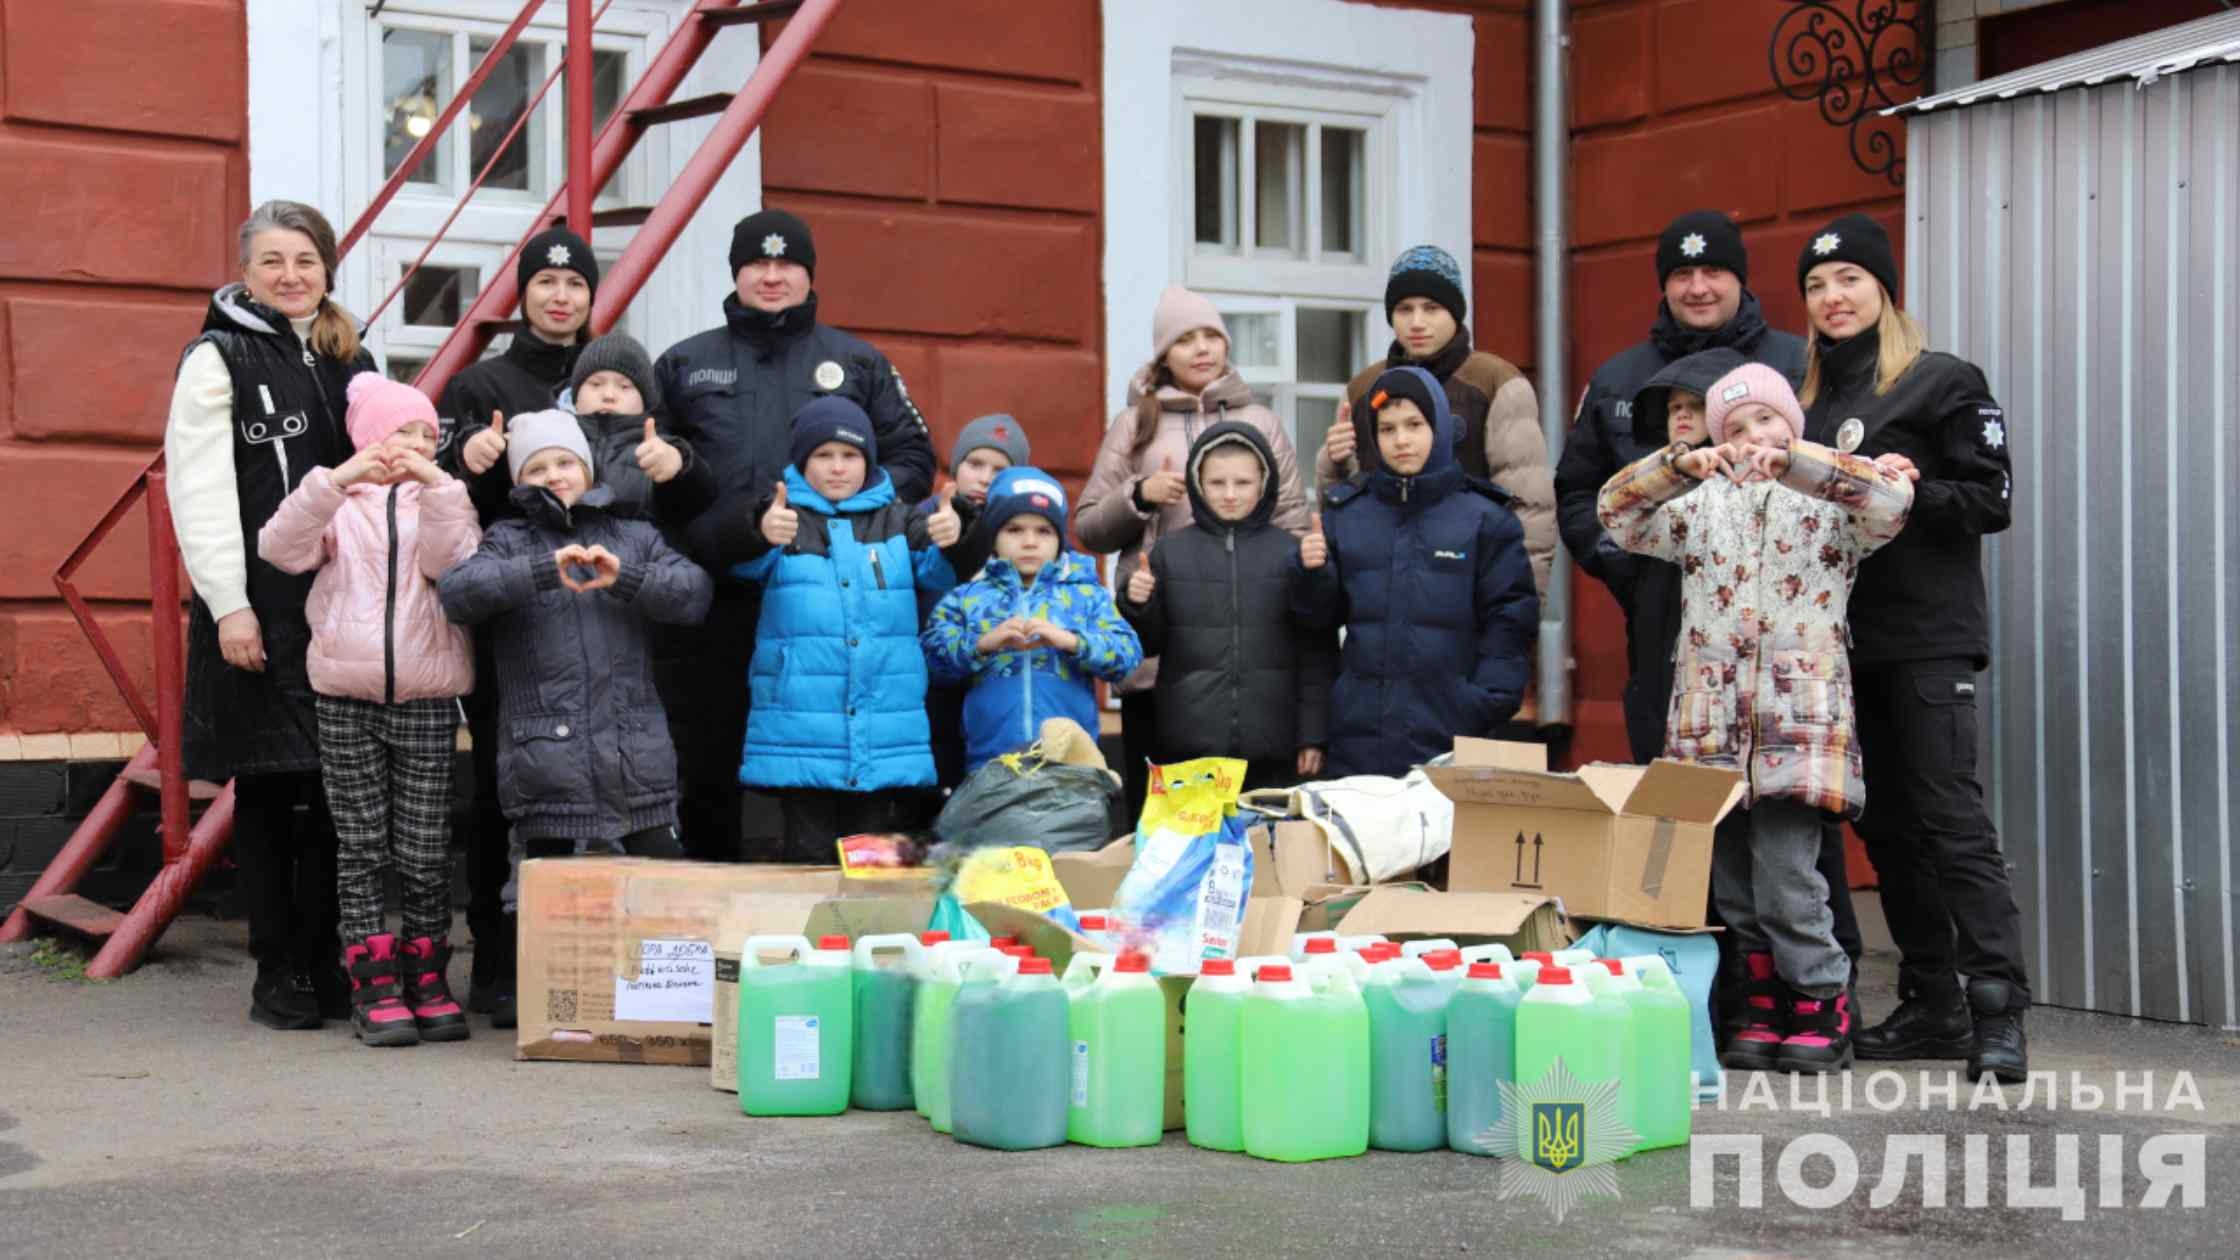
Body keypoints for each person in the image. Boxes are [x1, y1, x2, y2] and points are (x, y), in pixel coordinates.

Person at [1598, 364, 1913, 1073]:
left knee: (1787, 878)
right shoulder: (1696, 506)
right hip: (1710, 729)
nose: (1751, 438)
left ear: (1791, 426)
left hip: (1798, 725)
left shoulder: (1828, 500)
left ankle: (1821, 997)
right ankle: (1763, 1000)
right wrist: (1681, 465)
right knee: (1736, 884)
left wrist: (1799, 462)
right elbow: (1615, 515)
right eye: (1734, 429)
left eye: (1765, 422)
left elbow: (1890, 504)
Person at [1794, 213, 2031, 1082]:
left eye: (1849, 279)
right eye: (1817, 286)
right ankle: (1934, 1003)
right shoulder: (1812, 405)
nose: (1832, 297)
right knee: (1887, 828)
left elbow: (1991, 498)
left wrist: (1912, 489)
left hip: (1930, 641)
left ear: (1883, 289)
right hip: (1845, 647)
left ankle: (1999, 1010)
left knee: (1949, 819)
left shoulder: (1942, 382)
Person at [654, 208, 937, 862]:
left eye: (789, 264)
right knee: (708, 766)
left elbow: (915, 458)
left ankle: (837, 921)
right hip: (716, 602)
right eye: (758, 263)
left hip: (831, 606)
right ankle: (714, 924)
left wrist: (849, 522)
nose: (773, 276)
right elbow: (654, 477)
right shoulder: (685, 364)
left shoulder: (857, 362)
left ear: (809, 275)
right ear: (736, 273)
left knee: (831, 770)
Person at [166, 200, 373, 1031]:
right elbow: (202, 492)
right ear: (244, 273)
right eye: (273, 263)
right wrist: (229, 608)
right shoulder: (216, 357)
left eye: (306, 263)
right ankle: (277, 970)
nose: (291, 277)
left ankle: (328, 962)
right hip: (252, 609)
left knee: (336, 794)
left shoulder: (350, 354)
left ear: (327, 271)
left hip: (340, 608)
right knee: (269, 793)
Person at [437, 410, 713, 1027]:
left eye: (565, 462)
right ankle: (524, 990)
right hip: (546, 755)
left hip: (634, 751)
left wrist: (629, 579)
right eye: (537, 467)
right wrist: (541, 570)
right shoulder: (509, 537)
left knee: (661, 877)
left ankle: (669, 994)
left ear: (587, 469)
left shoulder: (632, 534)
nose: (554, 475)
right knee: (538, 886)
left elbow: (693, 594)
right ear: (519, 480)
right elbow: (460, 593)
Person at [256, 375, 481, 1047]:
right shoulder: (339, 504)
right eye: (400, 433)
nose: (414, 445)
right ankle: (373, 980)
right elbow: (279, 548)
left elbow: (454, 564)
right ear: (365, 441)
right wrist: (336, 478)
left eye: (425, 435)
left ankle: (427, 972)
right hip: (346, 697)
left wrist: (439, 487)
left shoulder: (442, 501)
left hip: (427, 696)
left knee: (424, 847)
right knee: (360, 847)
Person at [1556, 210, 1807, 758]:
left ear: (1740, 278)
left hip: (1783, 624)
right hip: (1660, 617)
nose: (1697, 288)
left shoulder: (1796, 363)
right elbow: (1577, 492)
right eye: (1680, 275)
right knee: (1671, 790)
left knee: (1786, 797)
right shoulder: (1619, 377)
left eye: (1713, 271)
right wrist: (1625, 566)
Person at [437, 225, 596, 1017]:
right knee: (507, 790)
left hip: (603, 621)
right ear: (523, 293)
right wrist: (464, 456)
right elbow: (438, 490)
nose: (561, 296)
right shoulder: (478, 385)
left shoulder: (616, 376)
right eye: (545, 283)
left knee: (590, 791)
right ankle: (496, 966)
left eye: (574, 285)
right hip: (514, 619)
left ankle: (576, 967)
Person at [1075, 286, 1309, 814]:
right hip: (1156, 645)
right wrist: (1138, 495)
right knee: (1160, 811)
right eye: (1185, 340)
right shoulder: (1136, 423)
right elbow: (1088, 527)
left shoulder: (1261, 423)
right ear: (1163, 354)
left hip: (1244, 652)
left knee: (1251, 811)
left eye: (1211, 336)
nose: (1202, 349)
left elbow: (1291, 526)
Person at [714, 398, 961, 861]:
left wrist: (956, 536)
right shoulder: (782, 518)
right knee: (807, 864)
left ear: (868, 461)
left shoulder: (900, 520)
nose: (837, 468)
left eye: (849, 456)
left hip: (883, 729)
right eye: (823, 456)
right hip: (803, 729)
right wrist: (755, 529)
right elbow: (733, 560)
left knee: (869, 869)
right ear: (801, 461)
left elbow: (941, 572)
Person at [1290, 365, 1538, 777]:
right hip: (1359, 742)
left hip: (1452, 740)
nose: (1401, 440)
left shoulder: (1485, 520)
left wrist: (1482, 702)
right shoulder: (1347, 514)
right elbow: (1317, 627)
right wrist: (1311, 575)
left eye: (1414, 425)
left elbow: (1510, 621)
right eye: (1387, 429)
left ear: (1439, 427)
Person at [1316, 244, 1556, 593]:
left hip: (1470, 587)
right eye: (1404, 309)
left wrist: (1519, 608)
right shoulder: (1363, 389)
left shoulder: (1496, 381)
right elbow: (1342, 509)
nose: (1417, 322)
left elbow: (1530, 508)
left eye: (1432, 308)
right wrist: (1333, 464)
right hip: (1382, 588)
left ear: (1455, 312)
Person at [1118, 422, 1336, 789]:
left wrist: (1312, 734)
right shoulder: (1170, 553)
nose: (1230, 494)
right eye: (1218, 483)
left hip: (1273, 749)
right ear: (1198, 483)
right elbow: (1148, 642)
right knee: (1194, 846)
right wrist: (1137, 602)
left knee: (1268, 845)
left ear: (1265, 483)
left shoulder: (1289, 553)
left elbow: (1315, 649)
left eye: (1243, 483)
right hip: (1188, 749)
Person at [923, 469, 1144, 775]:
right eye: (1014, 530)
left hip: (1071, 767)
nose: (1030, 542)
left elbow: (1127, 656)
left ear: (1059, 539)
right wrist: (982, 644)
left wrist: (1071, 641)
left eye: (1043, 531)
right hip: (991, 765)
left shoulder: (1085, 595)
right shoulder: (969, 595)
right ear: (994, 536)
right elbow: (933, 659)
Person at [916, 413, 1034, 788]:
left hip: (995, 681)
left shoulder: (1024, 532)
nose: (984, 477)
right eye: (975, 464)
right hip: (929, 679)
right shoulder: (924, 520)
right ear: (956, 466)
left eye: (999, 468)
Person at [565, 332, 720, 526]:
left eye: (625, 386)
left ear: (645, 401)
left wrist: (681, 468)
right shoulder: (553, 442)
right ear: (575, 397)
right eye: (596, 384)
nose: (609, 394)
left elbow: (700, 501)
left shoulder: (659, 448)